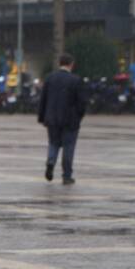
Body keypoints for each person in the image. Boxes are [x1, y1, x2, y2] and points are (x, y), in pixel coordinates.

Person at [37, 53, 86, 185]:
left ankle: (51, 162)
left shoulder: (50, 78)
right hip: (70, 120)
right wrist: (79, 116)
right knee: (68, 147)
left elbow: (43, 99)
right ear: (71, 64)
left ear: (60, 63)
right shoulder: (76, 80)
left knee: (53, 143)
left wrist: (42, 117)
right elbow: (82, 102)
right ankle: (67, 175)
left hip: (52, 118)